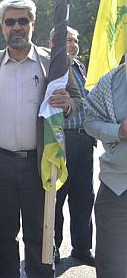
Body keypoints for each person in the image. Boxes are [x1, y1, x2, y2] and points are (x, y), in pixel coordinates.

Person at [0, 0, 81, 278]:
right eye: (10, 21)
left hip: (40, 164)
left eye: (23, 21)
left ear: (33, 24)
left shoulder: (54, 62)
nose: (17, 27)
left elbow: (78, 101)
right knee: (2, 233)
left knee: (40, 233)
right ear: (2, 26)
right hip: (0, 164)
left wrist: (67, 103)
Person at [48, 26, 95, 266]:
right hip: (60, 139)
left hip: (84, 139)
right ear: (53, 42)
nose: (73, 44)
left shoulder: (80, 66)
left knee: (84, 196)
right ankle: (52, 248)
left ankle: (82, 248)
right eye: (68, 40)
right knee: (56, 197)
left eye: (75, 40)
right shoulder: (51, 66)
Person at [84, 63, 127, 277]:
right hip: (116, 187)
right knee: (113, 267)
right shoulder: (111, 81)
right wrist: (118, 131)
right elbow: (90, 120)